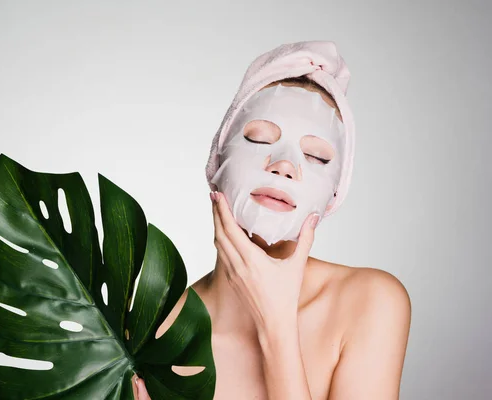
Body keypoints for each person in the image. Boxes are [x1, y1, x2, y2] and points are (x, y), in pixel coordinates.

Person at [133, 41, 411, 400]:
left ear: (334, 196)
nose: (284, 165)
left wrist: (276, 324)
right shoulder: (154, 338)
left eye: (316, 156)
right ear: (216, 162)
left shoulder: (370, 302)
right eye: (258, 139)